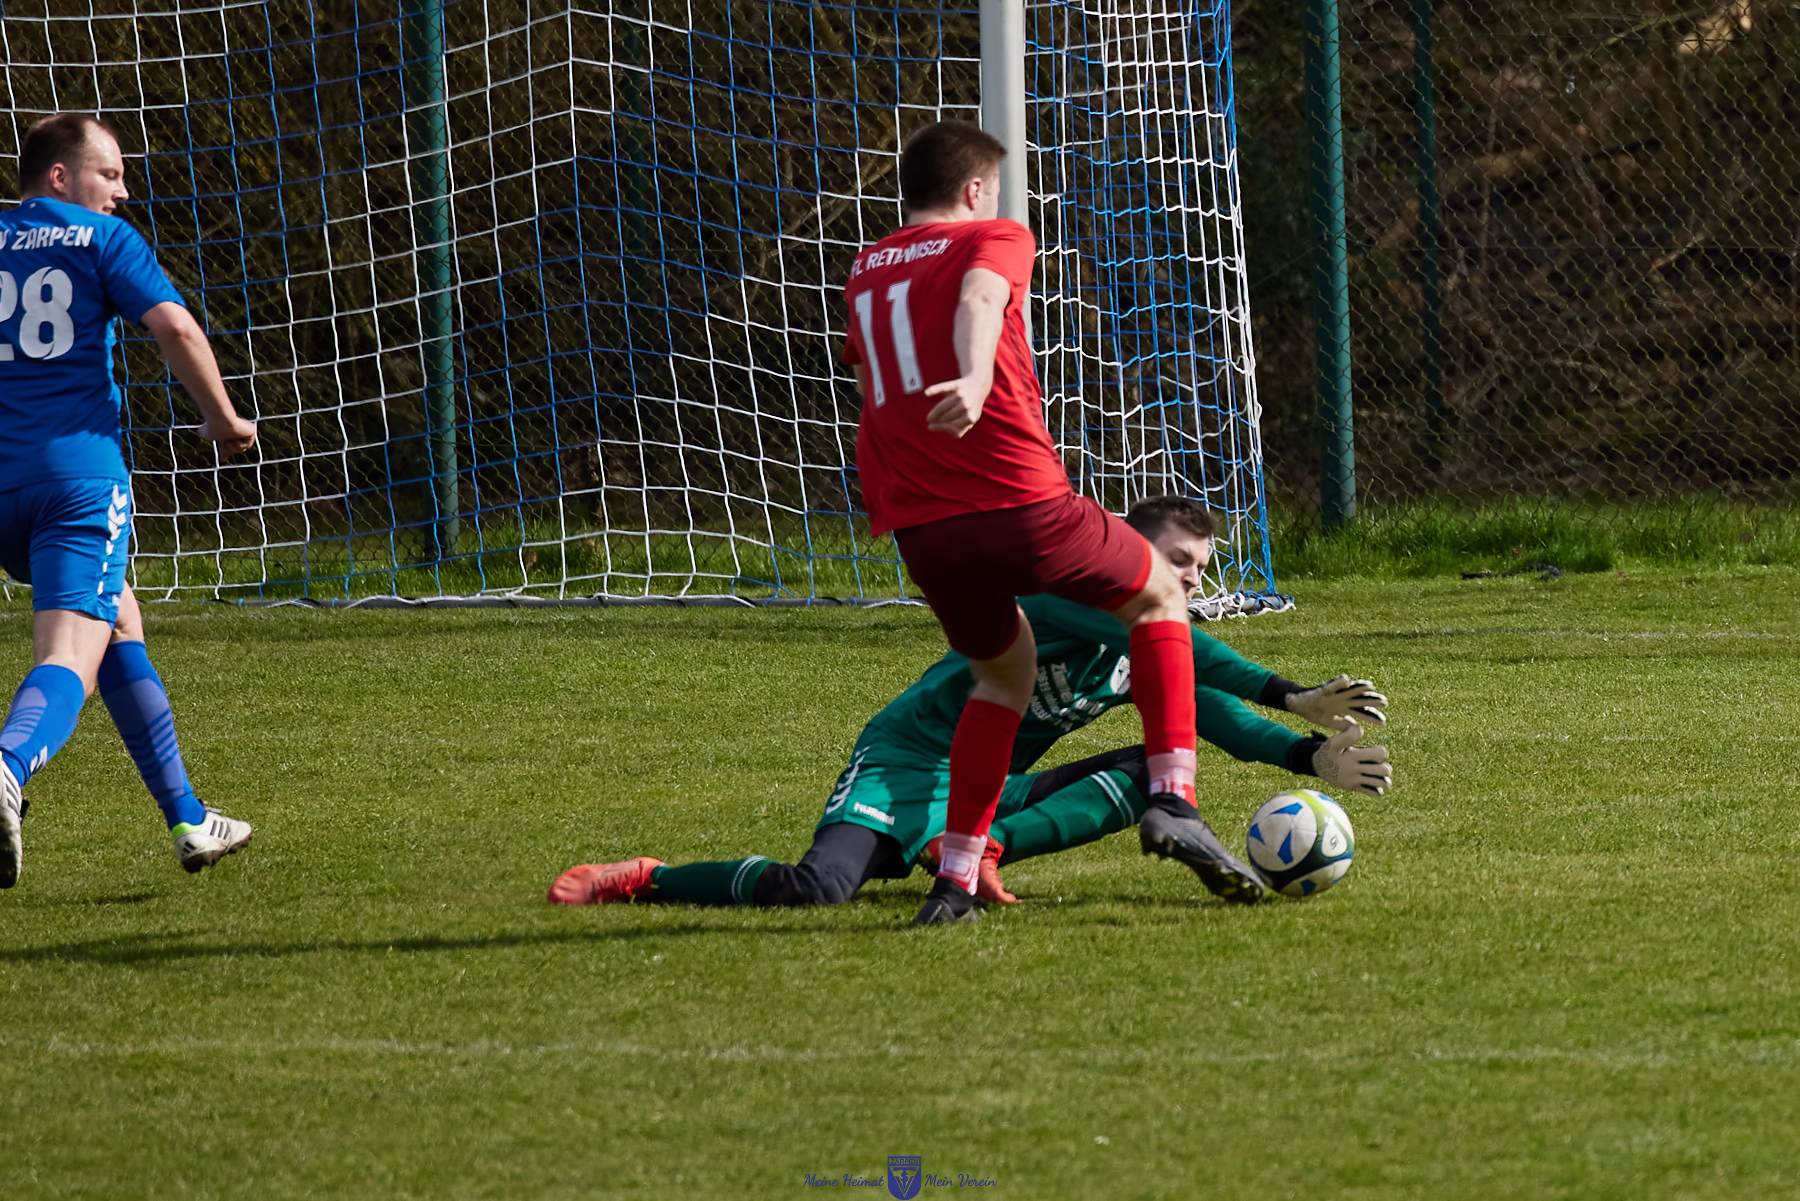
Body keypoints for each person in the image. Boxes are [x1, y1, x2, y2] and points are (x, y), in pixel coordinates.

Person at [548, 497, 1394, 911]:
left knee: (1159, 775)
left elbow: (1205, 709)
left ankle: (983, 847)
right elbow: (1205, 658)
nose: (1190, 581)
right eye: (1177, 560)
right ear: (1128, 550)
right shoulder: (1069, 593)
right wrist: (1287, 692)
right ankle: (647, 878)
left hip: (987, 788)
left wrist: (1303, 754)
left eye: (1200, 570)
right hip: (909, 759)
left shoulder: (1146, 642)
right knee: (819, 888)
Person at [844, 120, 1217, 925]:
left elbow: (875, 388)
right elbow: (981, 297)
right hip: (1018, 502)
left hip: (924, 529)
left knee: (1002, 674)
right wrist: (976, 378)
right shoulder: (995, 234)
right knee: (1159, 594)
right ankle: (1173, 798)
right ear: (976, 190)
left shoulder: (867, 269)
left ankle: (955, 879)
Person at [0, 112, 259, 889]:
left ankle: (188, 817)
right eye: (108, 173)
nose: (121, 191)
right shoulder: (100, 239)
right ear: (60, 177)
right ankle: (8, 763)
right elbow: (174, 326)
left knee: (117, 618)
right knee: (67, 658)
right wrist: (222, 418)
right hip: (76, 485)